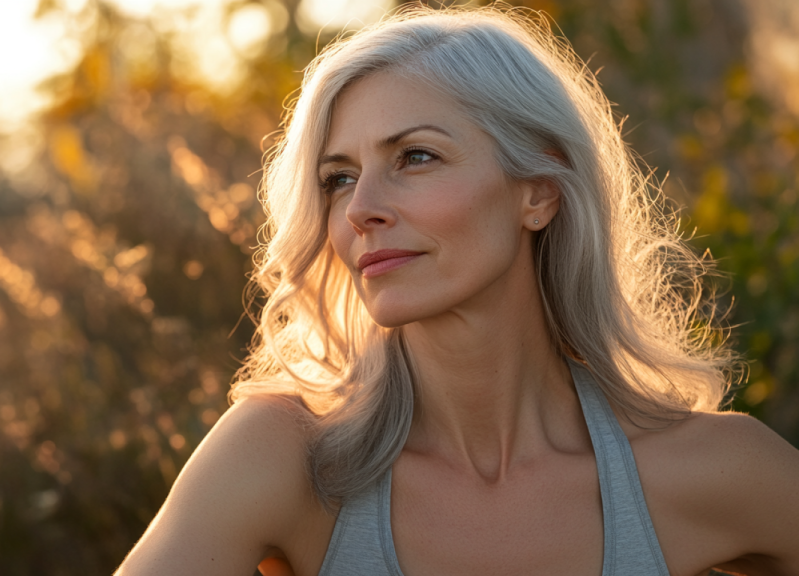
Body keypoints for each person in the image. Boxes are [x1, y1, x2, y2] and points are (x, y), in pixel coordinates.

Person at [116, 5, 799, 575]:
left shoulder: (712, 467)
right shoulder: (284, 458)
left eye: (415, 157)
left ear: (538, 190)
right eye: (339, 177)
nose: (361, 210)